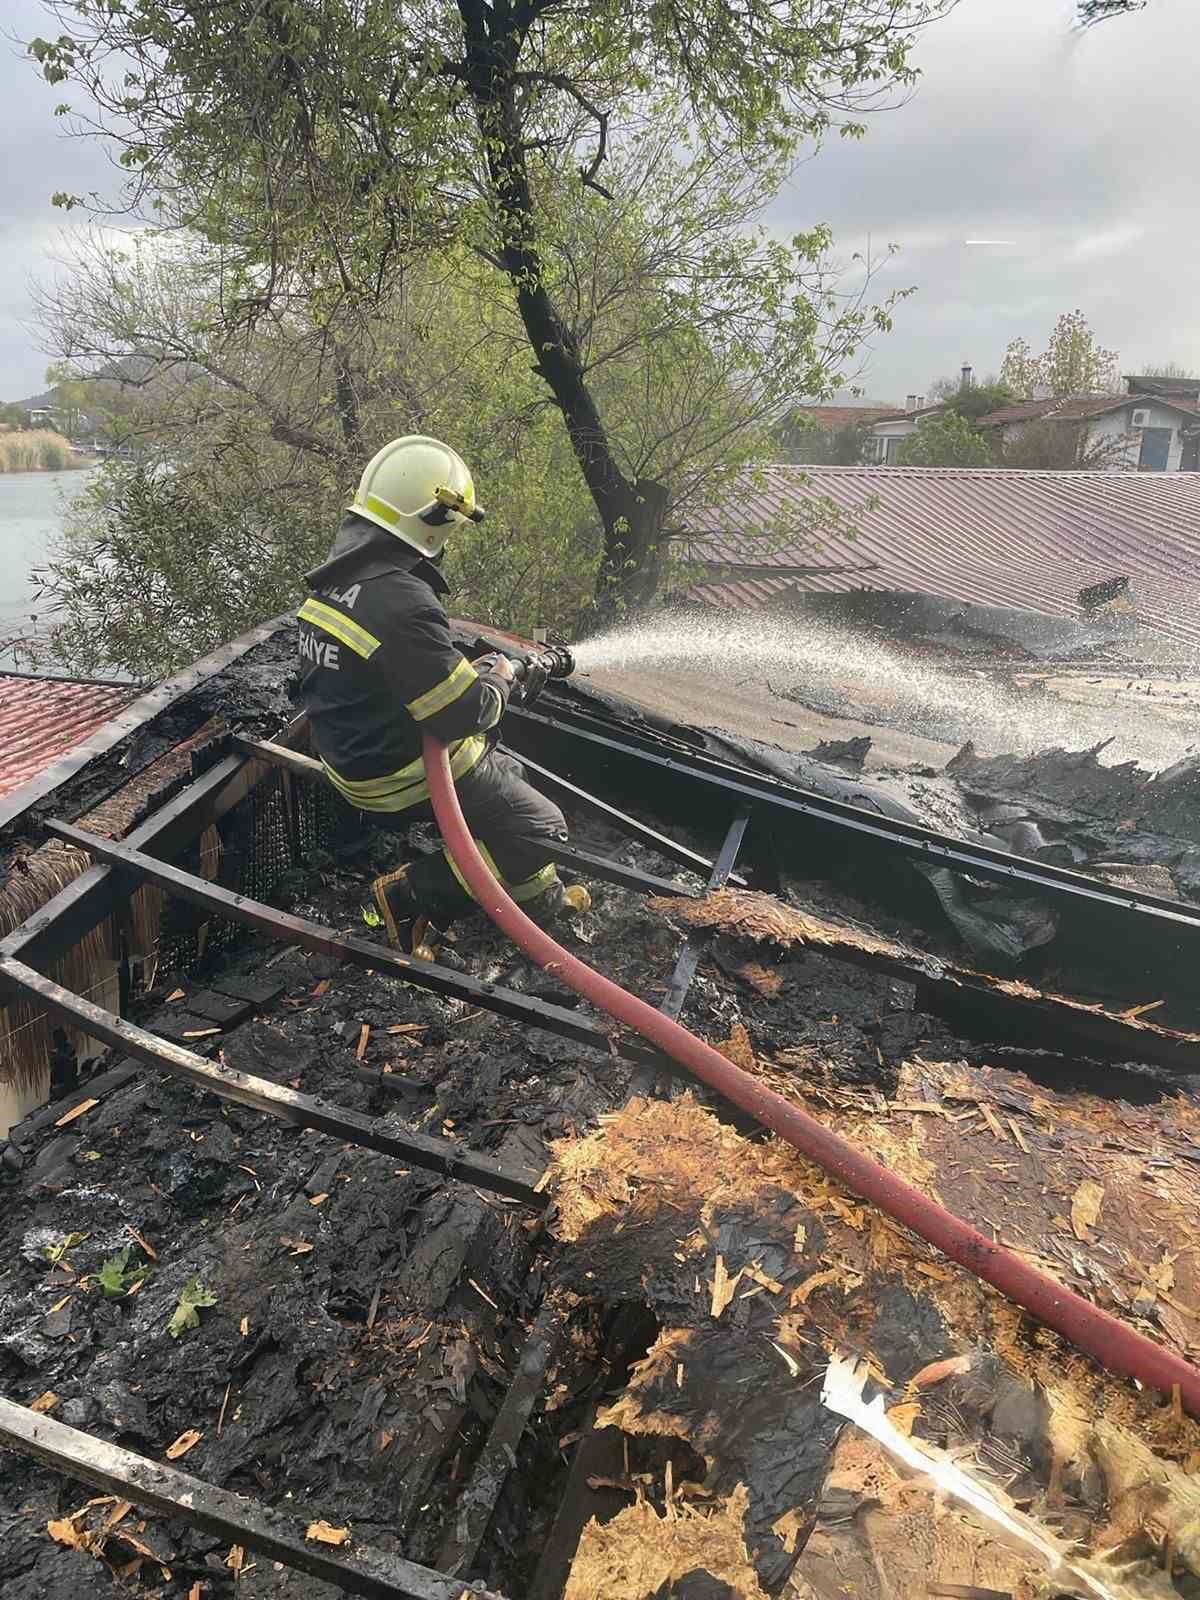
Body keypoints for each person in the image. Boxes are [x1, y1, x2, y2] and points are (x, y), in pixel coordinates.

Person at [295, 435, 589, 952]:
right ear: (438, 517)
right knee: (542, 828)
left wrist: (465, 676)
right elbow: (465, 715)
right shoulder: (403, 599)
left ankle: (539, 900)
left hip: (352, 755)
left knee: (508, 778)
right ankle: (408, 896)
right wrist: (500, 680)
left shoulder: (344, 574)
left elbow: (401, 669)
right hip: (394, 777)